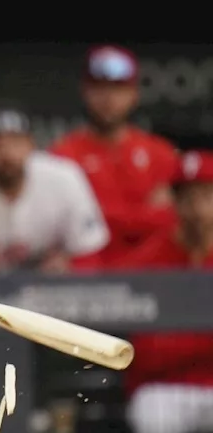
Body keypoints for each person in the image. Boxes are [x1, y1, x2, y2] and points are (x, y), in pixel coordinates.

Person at [117, 151, 213, 433]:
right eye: (187, 197)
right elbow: (146, 351)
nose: (197, 208)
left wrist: (183, 342)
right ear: (174, 203)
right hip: (164, 388)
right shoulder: (149, 258)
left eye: (206, 195)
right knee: (151, 421)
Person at [0, 109, 108, 273]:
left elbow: (88, 250)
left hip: (53, 294)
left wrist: (68, 269)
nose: (6, 153)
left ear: (31, 144)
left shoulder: (64, 178)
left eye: (15, 141)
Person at [51, 45, 178, 267]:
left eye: (118, 89)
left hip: (154, 274)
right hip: (84, 278)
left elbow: (171, 223)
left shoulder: (160, 153)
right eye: (99, 88)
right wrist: (142, 215)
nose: (108, 98)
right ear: (85, 91)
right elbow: (65, 227)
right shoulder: (63, 154)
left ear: (134, 94)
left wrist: (100, 214)